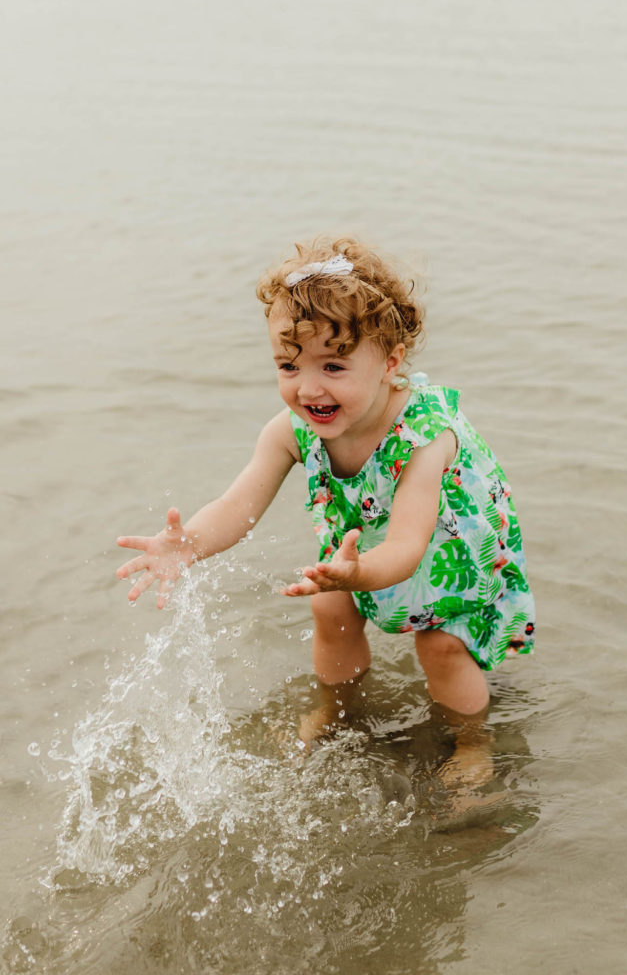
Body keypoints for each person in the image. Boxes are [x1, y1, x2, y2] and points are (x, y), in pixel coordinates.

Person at [116, 236, 535, 763]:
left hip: (445, 546)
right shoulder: (292, 429)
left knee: (441, 647)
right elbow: (238, 504)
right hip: (361, 544)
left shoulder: (427, 439)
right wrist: (190, 544)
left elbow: (407, 544)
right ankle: (335, 710)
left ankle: (474, 744)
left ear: (390, 362)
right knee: (329, 606)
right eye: (289, 367)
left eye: (333, 368)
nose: (308, 389)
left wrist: (361, 575)